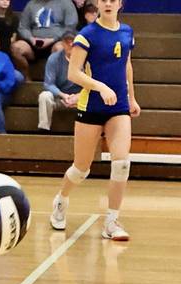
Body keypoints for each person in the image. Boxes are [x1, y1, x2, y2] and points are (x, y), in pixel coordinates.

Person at [49, 0, 139, 241]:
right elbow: (73, 73)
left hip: (118, 107)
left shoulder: (127, 32)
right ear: (98, 4)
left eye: (112, 0)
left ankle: (111, 221)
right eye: (103, 0)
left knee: (121, 163)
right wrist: (101, 87)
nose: (108, 3)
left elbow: (126, 65)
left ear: (120, 3)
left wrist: (132, 98)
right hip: (91, 106)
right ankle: (61, 200)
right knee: (81, 169)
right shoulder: (87, 35)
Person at [11, 0, 78, 80]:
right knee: (16, 48)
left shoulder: (66, 3)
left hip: (56, 42)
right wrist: (31, 38)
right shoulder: (31, 4)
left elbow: (70, 27)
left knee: (61, 48)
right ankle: (26, 78)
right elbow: (23, 27)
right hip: (33, 43)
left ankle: (54, 81)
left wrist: (52, 39)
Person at [37, 30, 80, 132]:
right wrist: (63, 95)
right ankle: (44, 129)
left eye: (73, 41)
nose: (70, 44)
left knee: (95, 95)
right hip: (60, 97)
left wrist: (78, 96)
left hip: (81, 96)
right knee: (44, 96)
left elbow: (91, 83)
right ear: (62, 44)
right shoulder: (54, 58)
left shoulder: (87, 58)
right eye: (67, 42)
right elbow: (48, 84)